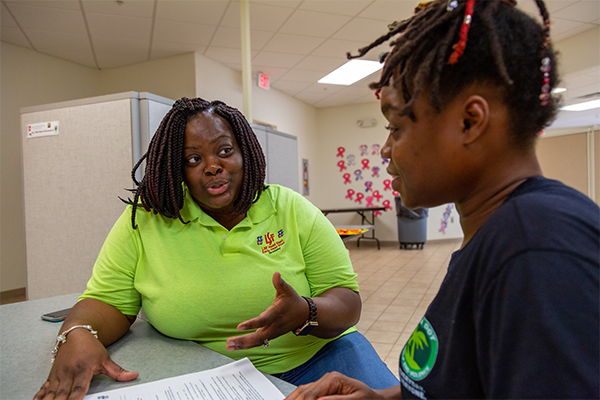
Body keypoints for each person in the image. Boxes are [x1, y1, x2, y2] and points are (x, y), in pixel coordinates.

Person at [286, 0, 600, 399]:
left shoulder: (536, 250)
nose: (386, 150)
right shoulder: (499, 235)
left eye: (396, 127)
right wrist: (384, 397)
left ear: (470, 121)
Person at [33, 97, 399, 400]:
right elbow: (107, 301)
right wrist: (79, 333)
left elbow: (347, 302)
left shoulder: (290, 208)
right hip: (208, 376)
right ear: (177, 168)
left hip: (322, 358)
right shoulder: (147, 220)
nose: (212, 167)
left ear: (245, 153)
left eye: (225, 151)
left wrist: (306, 311)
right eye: (193, 159)